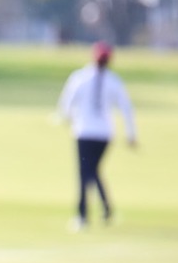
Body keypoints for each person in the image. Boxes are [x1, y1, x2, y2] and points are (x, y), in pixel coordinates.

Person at [55, 42, 137, 229]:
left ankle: (83, 215)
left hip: (84, 132)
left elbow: (66, 102)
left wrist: (66, 118)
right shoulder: (113, 81)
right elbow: (126, 109)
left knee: (86, 173)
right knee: (92, 171)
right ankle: (106, 208)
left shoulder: (81, 78)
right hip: (103, 134)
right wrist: (131, 134)